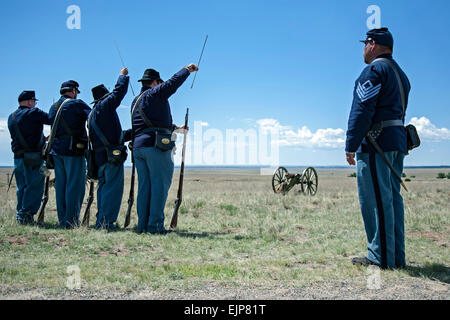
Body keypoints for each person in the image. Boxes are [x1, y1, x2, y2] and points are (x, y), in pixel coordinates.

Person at [345, 28, 411, 269]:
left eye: (365, 44)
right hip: (396, 141)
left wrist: (351, 143)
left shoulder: (374, 70)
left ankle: (380, 257)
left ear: (373, 45)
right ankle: (395, 256)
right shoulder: (401, 74)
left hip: (376, 142)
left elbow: (362, 108)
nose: (363, 49)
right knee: (392, 199)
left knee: (375, 200)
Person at [131, 64, 198, 234]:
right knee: (159, 187)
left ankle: (143, 225)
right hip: (156, 146)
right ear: (155, 82)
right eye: (159, 82)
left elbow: (151, 122)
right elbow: (172, 83)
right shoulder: (155, 93)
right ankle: (155, 227)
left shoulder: (136, 101)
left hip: (139, 147)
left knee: (145, 188)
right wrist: (186, 70)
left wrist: (176, 128)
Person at [88, 68, 131, 231]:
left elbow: (114, 136)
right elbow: (118, 93)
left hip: (100, 158)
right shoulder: (104, 106)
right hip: (110, 157)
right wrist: (122, 77)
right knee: (112, 191)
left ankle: (102, 221)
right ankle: (106, 223)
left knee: (104, 190)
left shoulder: (93, 113)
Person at [48, 80, 91, 228]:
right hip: (73, 150)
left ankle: (63, 220)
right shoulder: (76, 104)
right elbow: (92, 117)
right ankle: (71, 221)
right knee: (75, 186)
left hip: (57, 150)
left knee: (61, 186)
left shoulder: (53, 107)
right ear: (73, 91)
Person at [8, 91, 51, 224]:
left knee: (22, 187)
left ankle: (20, 214)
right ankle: (26, 215)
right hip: (33, 157)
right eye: (34, 102)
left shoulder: (11, 117)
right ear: (29, 102)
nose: (34, 104)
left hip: (18, 157)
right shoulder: (34, 113)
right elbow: (51, 118)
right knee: (34, 187)